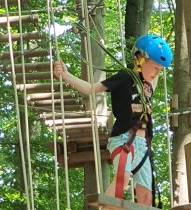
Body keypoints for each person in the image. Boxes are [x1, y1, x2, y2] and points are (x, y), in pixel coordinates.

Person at [53, 34, 172, 206]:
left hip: (142, 145)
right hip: (124, 140)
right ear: (140, 61)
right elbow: (91, 89)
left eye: (160, 70)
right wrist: (65, 75)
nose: (156, 73)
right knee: (122, 180)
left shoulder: (149, 86)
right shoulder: (124, 77)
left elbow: (154, 71)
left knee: (146, 197)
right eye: (154, 67)